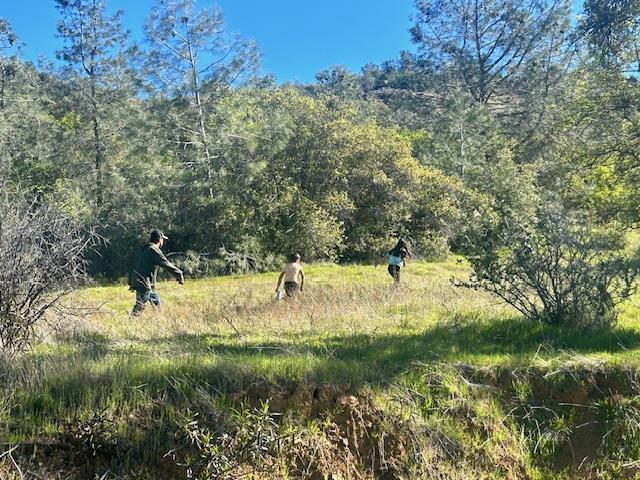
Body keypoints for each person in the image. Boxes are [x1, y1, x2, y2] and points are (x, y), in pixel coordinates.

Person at [129, 229, 184, 316]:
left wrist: (131, 281)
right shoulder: (153, 250)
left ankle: (160, 319)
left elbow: (133, 265)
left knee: (155, 299)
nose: (163, 242)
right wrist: (179, 274)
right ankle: (132, 321)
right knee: (140, 305)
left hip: (140, 281)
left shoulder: (144, 249)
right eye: (163, 239)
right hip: (144, 282)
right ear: (159, 239)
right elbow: (166, 264)